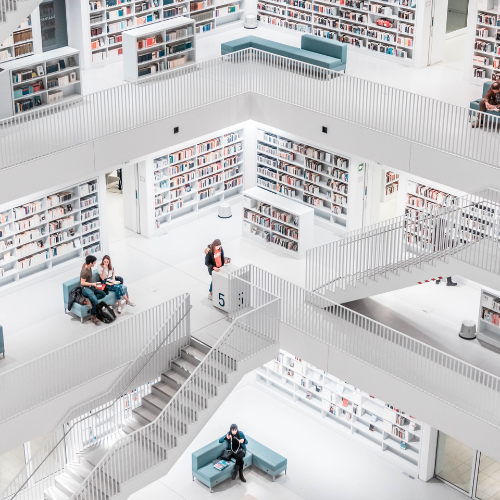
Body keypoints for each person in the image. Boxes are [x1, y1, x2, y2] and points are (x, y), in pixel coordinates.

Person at [80, 255, 106, 325]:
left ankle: (89, 300)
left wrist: (93, 284)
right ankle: (93, 317)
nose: (95, 263)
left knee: (103, 294)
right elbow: (82, 282)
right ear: (90, 263)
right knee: (95, 300)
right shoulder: (85, 272)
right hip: (85, 288)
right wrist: (93, 284)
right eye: (94, 262)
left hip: (91, 286)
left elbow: (82, 266)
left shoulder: (86, 265)